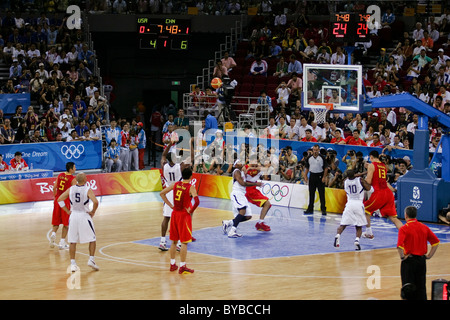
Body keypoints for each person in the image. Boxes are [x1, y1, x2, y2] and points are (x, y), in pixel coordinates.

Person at [160, 167, 199, 274]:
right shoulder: (191, 187)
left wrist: (170, 205)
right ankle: (182, 265)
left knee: (174, 241)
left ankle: (172, 264)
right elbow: (197, 201)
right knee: (184, 242)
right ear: (191, 176)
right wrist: (191, 210)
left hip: (175, 214)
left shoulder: (176, 184)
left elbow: (162, 193)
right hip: (184, 215)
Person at [57, 172, 99, 272]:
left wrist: (67, 211)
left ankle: (73, 264)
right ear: (85, 180)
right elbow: (96, 202)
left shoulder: (70, 189)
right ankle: (91, 260)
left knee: (72, 241)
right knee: (92, 239)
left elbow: (59, 199)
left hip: (73, 216)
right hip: (84, 215)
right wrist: (93, 211)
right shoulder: (87, 190)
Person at [397, 206, 440, 300]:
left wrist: (402, 257)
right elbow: (436, 242)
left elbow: (399, 246)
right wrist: (429, 256)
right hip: (421, 261)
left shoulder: (404, 228)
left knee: (408, 288)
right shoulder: (424, 227)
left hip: (409, 261)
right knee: (421, 287)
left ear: (406, 215)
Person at [363, 150, 403, 239]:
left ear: (371, 157)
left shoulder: (371, 165)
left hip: (379, 193)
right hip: (388, 193)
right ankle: (406, 234)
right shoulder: (383, 166)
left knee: (365, 210)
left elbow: (368, 181)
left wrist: (361, 181)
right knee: (393, 218)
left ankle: (368, 232)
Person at [159, 141, 191, 251]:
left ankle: (162, 241)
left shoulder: (164, 166)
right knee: (179, 219)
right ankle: (178, 243)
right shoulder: (180, 166)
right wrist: (189, 145)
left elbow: (163, 155)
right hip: (178, 192)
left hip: (168, 191)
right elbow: (190, 158)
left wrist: (169, 144)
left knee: (166, 218)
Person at [222, 159, 262, 238]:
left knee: (248, 216)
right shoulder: (236, 171)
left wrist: (248, 169)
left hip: (242, 194)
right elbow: (242, 183)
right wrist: (256, 184)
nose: (241, 163)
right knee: (242, 211)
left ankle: (229, 222)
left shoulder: (243, 172)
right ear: (236, 165)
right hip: (237, 193)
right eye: (239, 162)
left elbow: (257, 168)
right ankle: (232, 231)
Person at [334, 170, 373, 251]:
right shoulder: (360, 180)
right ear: (354, 174)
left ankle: (338, 235)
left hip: (349, 204)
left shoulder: (345, 182)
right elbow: (370, 189)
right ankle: (357, 241)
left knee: (343, 224)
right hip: (358, 204)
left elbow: (352, 177)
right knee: (358, 226)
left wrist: (361, 173)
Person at [50, 162, 77, 249]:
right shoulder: (73, 179)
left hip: (58, 200)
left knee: (56, 221)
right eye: (74, 167)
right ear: (71, 169)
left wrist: (55, 197)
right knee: (66, 224)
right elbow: (73, 192)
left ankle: (53, 234)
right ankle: (62, 242)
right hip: (65, 201)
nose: (75, 168)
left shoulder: (60, 175)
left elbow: (54, 187)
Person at [243, 156, 271, 232]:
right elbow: (243, 181)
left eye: (256, 161)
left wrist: (252, 168)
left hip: (254, 189)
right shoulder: (244, 167)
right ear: (249, 161)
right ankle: (260, 223)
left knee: (268, 204)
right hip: (248, 190)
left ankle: (260, 223)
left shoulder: (257, 167)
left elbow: (265, 169)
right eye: (253, 161)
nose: (255, 162)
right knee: (267, 204)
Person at [303, 145, 328, 215]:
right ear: (312, 150)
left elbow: (326, 168)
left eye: (316, 150)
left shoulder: (322, 158)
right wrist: (305, 176)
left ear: (319, 150)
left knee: (321, 194)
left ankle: (323, 209)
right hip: (312, 176)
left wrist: (324, 177)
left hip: (320, 176)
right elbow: (307, 167)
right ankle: (310, 208)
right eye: (314, 150)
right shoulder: (309, 158)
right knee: (311, 193)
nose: (315, 151)